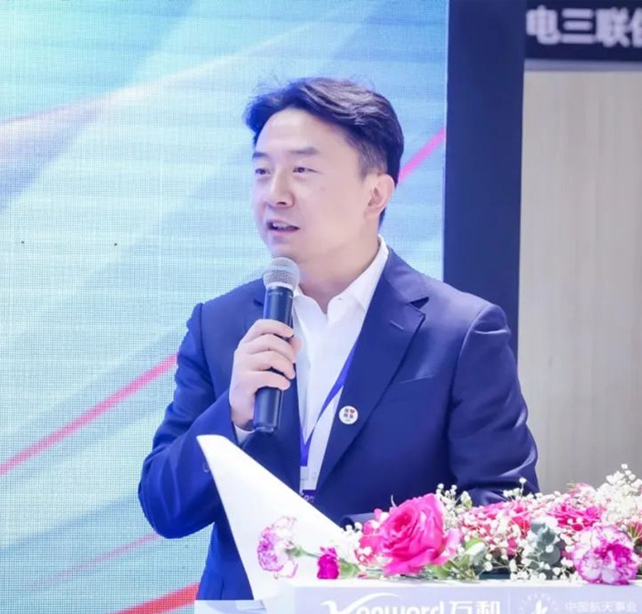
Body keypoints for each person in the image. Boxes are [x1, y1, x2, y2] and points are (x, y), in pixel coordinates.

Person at [137, 77, 539, 601]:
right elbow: (164, 508)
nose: (275, 194)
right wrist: (232, 415)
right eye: (262, 171)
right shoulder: (219, 324)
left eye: (302, 171)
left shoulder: (460, 331)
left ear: (376, 193)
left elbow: (505, 513)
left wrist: (355, 551)